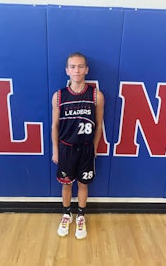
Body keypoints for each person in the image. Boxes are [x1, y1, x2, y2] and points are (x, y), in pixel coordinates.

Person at [51, 52, 104, 239]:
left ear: (87, 69)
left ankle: (81, 215)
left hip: (86, 149)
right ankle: (67, 213)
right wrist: (56, 150)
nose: (77, 70)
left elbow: (98, 126)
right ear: (67, 71)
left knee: (83, 184)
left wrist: (94, 148)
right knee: (66, 185)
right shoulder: (59, 96)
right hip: (66, 148)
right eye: (72, 67)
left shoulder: (96, 95)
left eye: (80, 66)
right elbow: (54, 125)